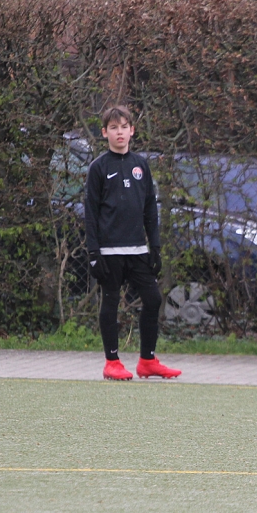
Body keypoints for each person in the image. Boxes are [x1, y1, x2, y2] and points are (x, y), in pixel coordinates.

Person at [84, 105, 181, 381]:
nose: (120, 132)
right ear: (105, 132)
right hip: (109, 252)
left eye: (124, 127)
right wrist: (94, 253)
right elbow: (90, 213)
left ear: (132, 131)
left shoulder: (141, 165)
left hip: (138, 250)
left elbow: (150, 209)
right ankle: (112, 362)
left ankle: (147, 361)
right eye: (114, 128)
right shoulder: (98, 167)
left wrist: (155, 247)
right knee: (111, 302)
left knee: (153, 299)